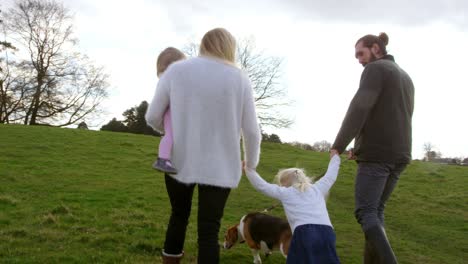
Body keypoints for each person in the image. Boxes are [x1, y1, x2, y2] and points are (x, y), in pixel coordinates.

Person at [145, 28, 261, 264]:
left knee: (178, 216)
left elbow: (152, 116)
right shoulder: (239, 79)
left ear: (202, 45)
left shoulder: (177, 70)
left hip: (178, 159)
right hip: (221, 165)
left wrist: (171, 133)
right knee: (209, 229)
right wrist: (251, 162)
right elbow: (251, 131)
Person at [330, 32, 415, 264]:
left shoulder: (375, 69)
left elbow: (360, 107)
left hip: (378, 156)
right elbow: (388, 116)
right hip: (400, 155)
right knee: (375, 212)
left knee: (365, 212)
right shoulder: (405, 76)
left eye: (361, 53)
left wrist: (339, 145)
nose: (359, 60)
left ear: (376, 48)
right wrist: (359, 146)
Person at [244, 154, 342, 264]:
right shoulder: (318, 188)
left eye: (282, 184)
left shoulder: (286, 192)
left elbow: (262, 186)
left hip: (304, 232)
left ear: (287, 183)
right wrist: (335, 157)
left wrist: (249, 170)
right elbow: (331, 176)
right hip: (327, 232)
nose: (281, 187)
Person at [152, 47, 186, 174]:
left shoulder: (165, 80)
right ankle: (162, 159)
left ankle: (164, 158)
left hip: (173, 112)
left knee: (171, 135)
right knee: (170, 135)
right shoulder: (169, 80)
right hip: (171, 113)